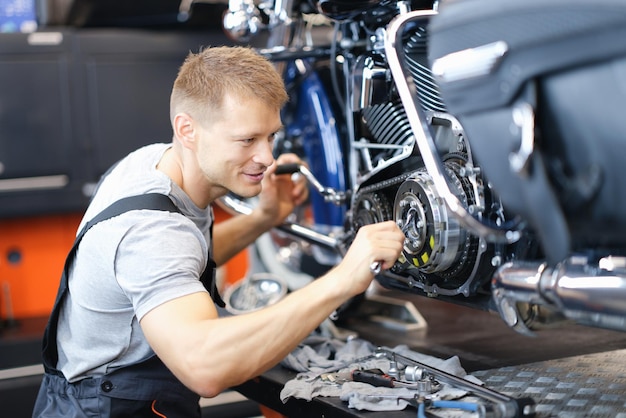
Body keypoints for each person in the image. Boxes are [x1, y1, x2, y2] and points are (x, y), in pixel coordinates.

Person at [32, 45, 405, 417]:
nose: (267, 157)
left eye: (271, 136)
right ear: (187, 129)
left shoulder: (154, 163)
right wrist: (343, 280)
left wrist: (265, 218)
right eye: (247, 140)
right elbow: (204, 368)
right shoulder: (150, 229)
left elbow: (183, 260)